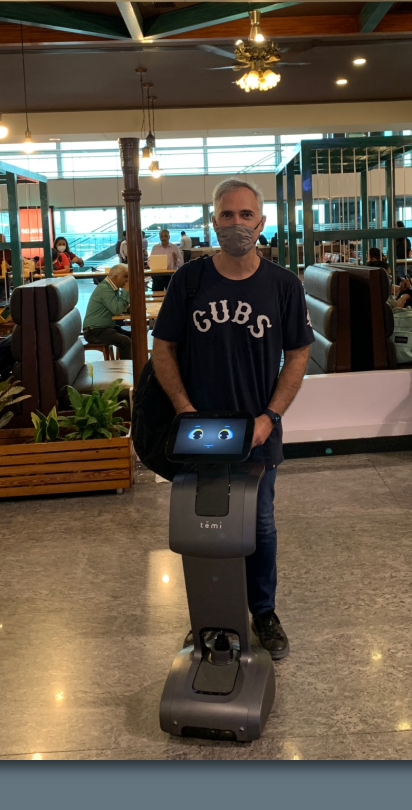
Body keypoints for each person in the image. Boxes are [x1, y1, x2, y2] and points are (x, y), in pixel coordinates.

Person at [153, 178, 312, 660]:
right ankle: (211, 616)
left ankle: (262, 611)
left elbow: (299, 354)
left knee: (258, 525)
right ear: (214, 220)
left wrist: (270, 415)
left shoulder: (284, 285)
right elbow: (163, 349)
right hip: (198, 432)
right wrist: (183, 407)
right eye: (228, 215)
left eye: (247, 216)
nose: (237, 223)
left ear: (261, 224)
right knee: (203, 524)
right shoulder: (190, 280)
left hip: (257, 432)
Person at [83, 263, 135, 360]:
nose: (128, 280)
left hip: (106, 328)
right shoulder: (105, 289)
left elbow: (119, 307)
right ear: (115, 277)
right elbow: (117, 310)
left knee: (134, 336)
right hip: (94, 331)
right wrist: (126, 291)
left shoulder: (112, 288)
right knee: (125, 341)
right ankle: (128, 370)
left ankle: (136, 364)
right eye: (125, 276)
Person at [148, 227, 183, 291]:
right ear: (159, 237)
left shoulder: (174, 247)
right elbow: (149, 261)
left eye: (165, 236)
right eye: (161, 236)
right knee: (156, 294)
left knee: (173, 295)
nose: (163, 238)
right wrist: (153, 266)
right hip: (158, 275)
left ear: (169, 237)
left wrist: (176, 259)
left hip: (171, 275)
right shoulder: (155, 248)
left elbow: (181, 263)